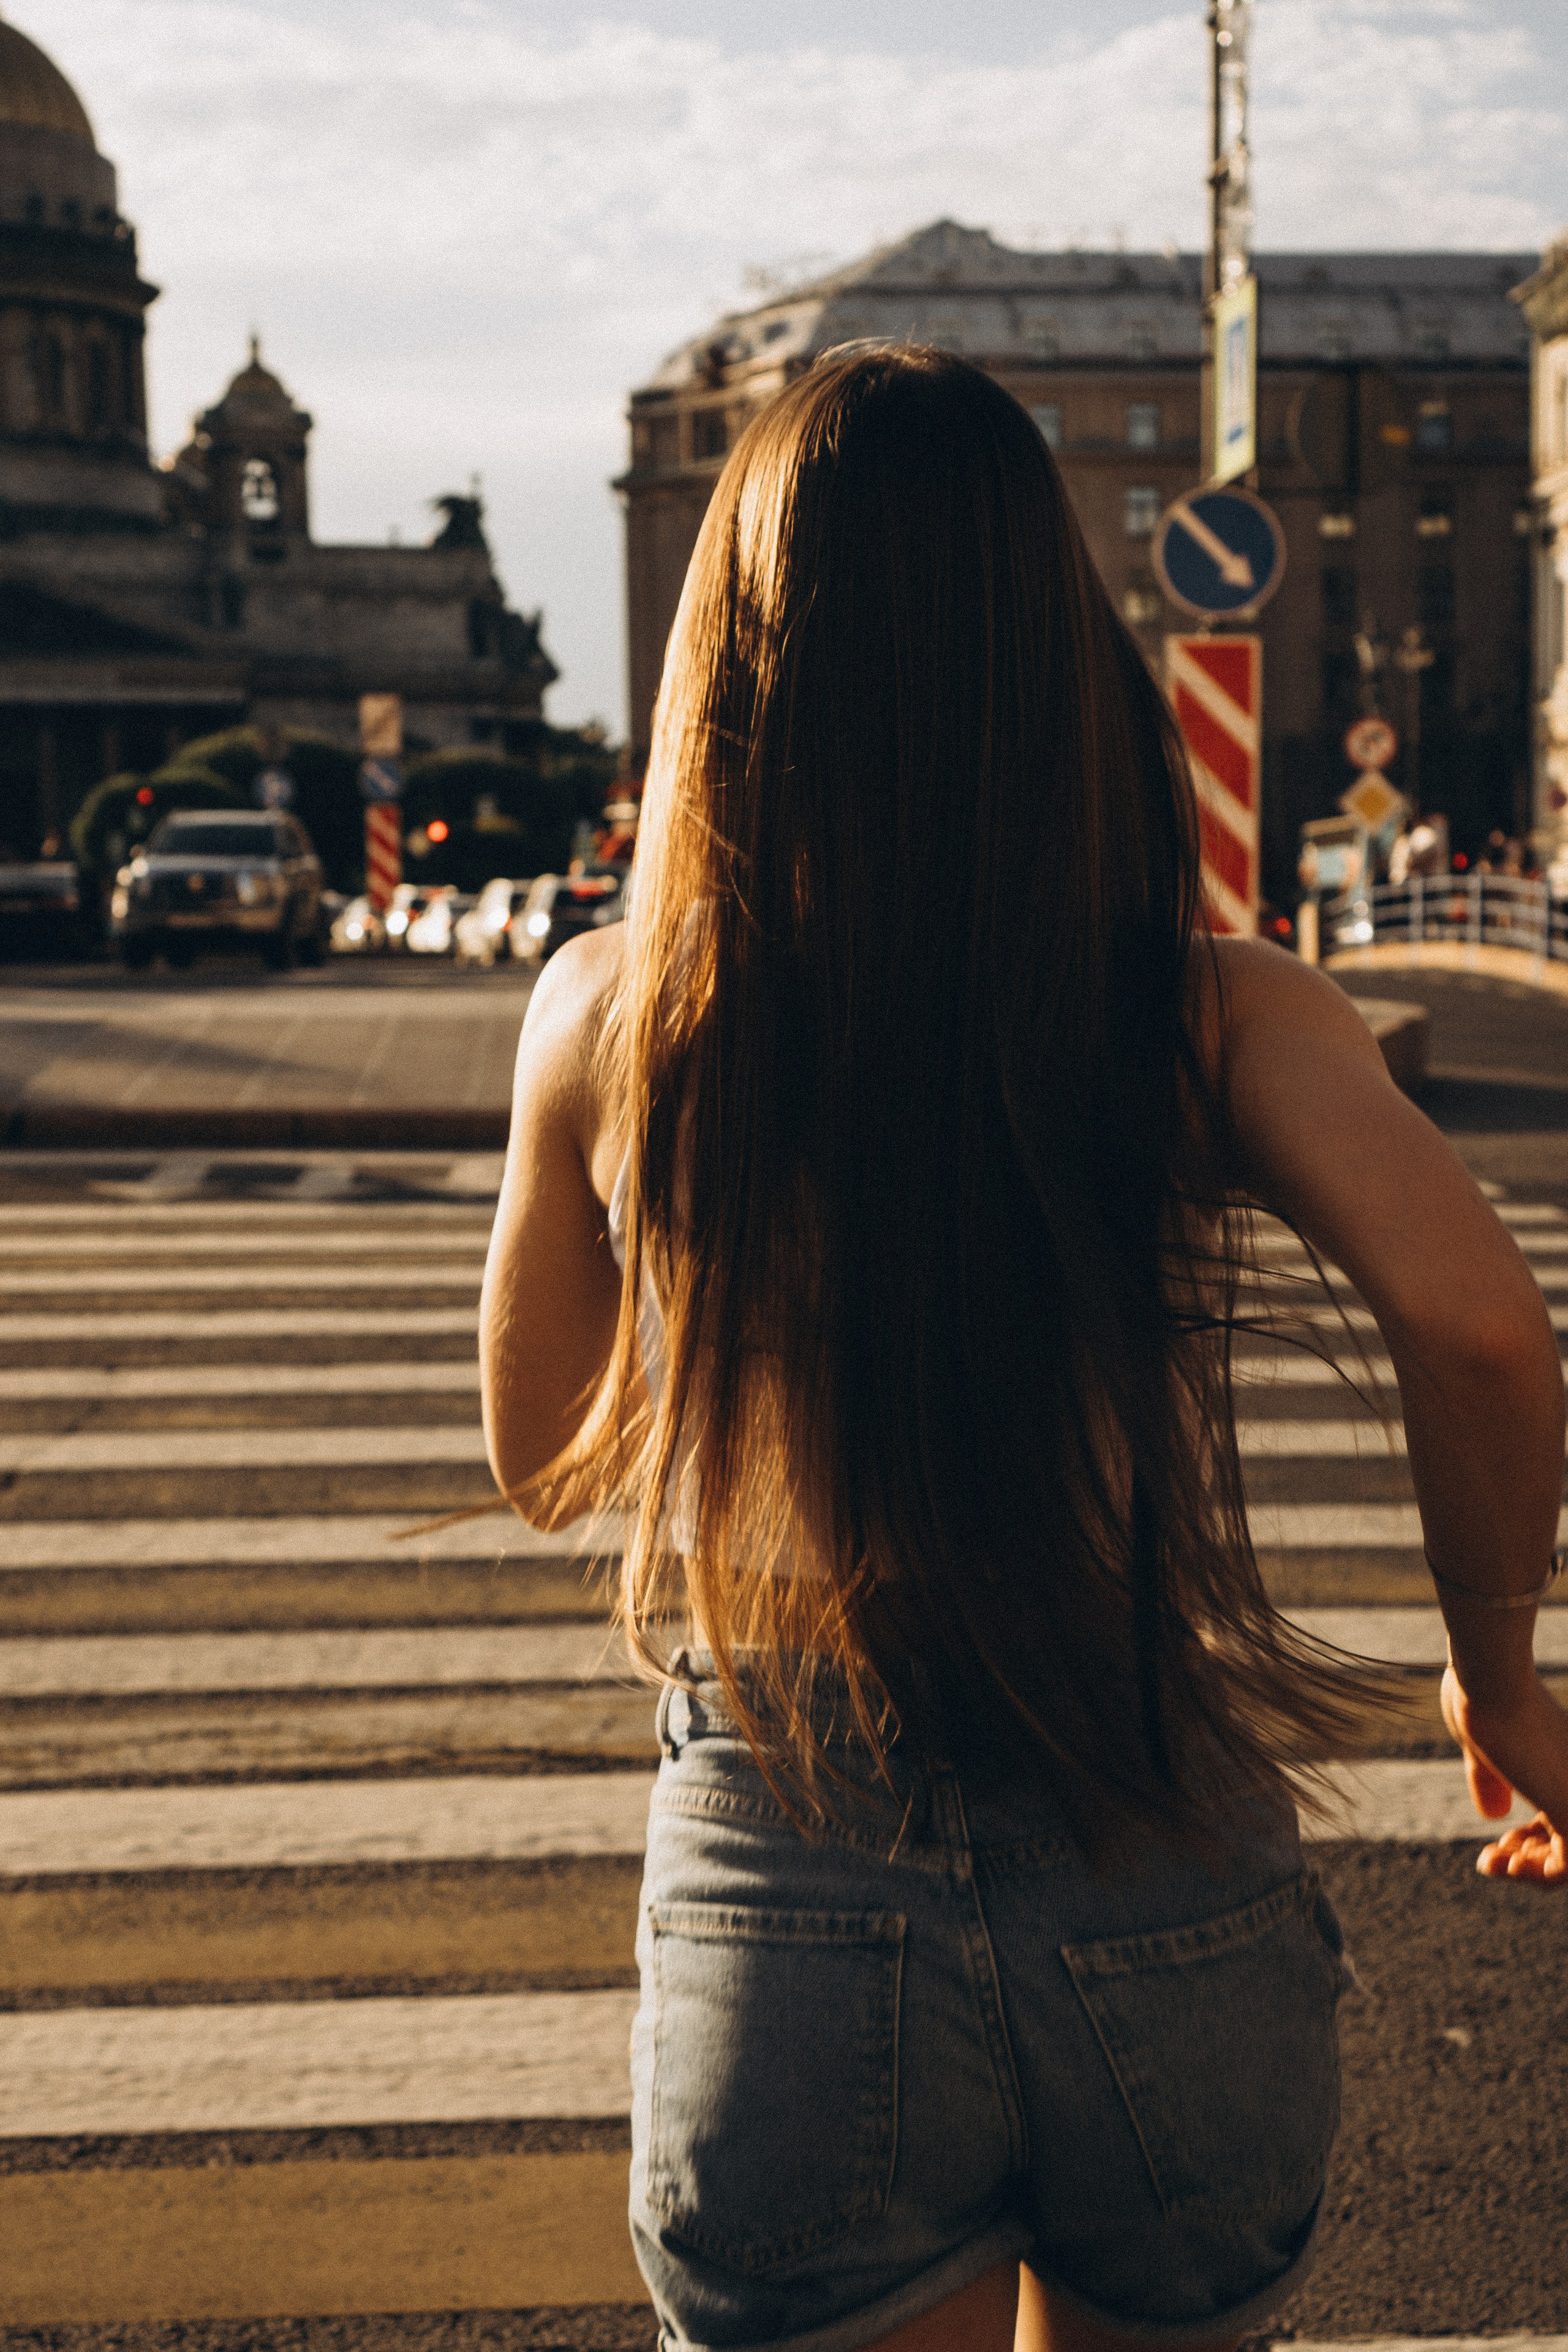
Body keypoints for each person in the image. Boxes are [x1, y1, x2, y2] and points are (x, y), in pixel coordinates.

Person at [480, 347, 1567, 2352]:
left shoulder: (608, 1013)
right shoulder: (1215, 1014)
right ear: (1056, 645)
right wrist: (1494, 1675)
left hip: (789, 1852)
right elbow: (1485, 1327)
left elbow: (545, 1446)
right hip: (1152, 1830)